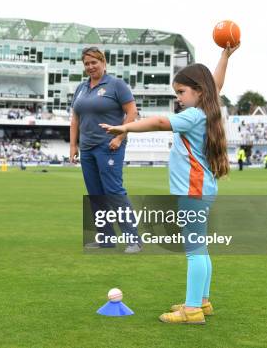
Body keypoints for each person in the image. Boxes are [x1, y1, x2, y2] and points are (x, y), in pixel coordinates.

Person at [101, 43, 240, 324]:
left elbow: (160, 122)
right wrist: (224, 56)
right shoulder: (207, 108)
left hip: (193, 190)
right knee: (200, 247)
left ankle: (191, 310)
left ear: (198, 92)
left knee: (194, 251)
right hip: (201, 189)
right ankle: (202, 301)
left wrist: (126, 127)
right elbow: (216, 84)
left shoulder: (191, 115)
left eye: (181, 92)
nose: (178, 97)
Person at [70, 46, 140, 252]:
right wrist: (74, 145)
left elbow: (132, 111)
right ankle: (106, 238)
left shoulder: (116, 84)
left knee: (114, 191)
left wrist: (120, 136)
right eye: (87, 64)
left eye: (94, 62)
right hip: (87, 148)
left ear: (103, 62)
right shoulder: (81, 88)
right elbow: (75, 118)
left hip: (109, 145)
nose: (90, 67)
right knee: (95, 194)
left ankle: (133, 239)